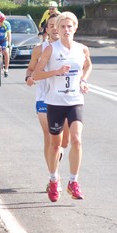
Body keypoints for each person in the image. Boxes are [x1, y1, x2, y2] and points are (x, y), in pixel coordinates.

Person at [32, 12, 92, 203]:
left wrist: (83, 80)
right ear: (56, 29)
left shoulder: (82, 49)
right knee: (56, 144)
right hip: (55, 103)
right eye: (62, 27)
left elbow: (88, 65)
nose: (66, 30)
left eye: (69, 26)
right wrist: (56, 72)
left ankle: (73, 182)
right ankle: (53, 179)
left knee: (76, 140)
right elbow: (36, 74)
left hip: (75, 100)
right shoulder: (50, 49)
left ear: (75, 28)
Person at [25, 14, 70, 183]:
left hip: (65, 98)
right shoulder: (40, 49)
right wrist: (28, 78)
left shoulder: (71, 48)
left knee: (64, 139)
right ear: (47, 29)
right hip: (44, 97)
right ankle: (54, 175)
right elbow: (30, 69)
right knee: (49, 136)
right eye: (50, 25)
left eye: (57, 25)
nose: (54, 28)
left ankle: (60, 150)